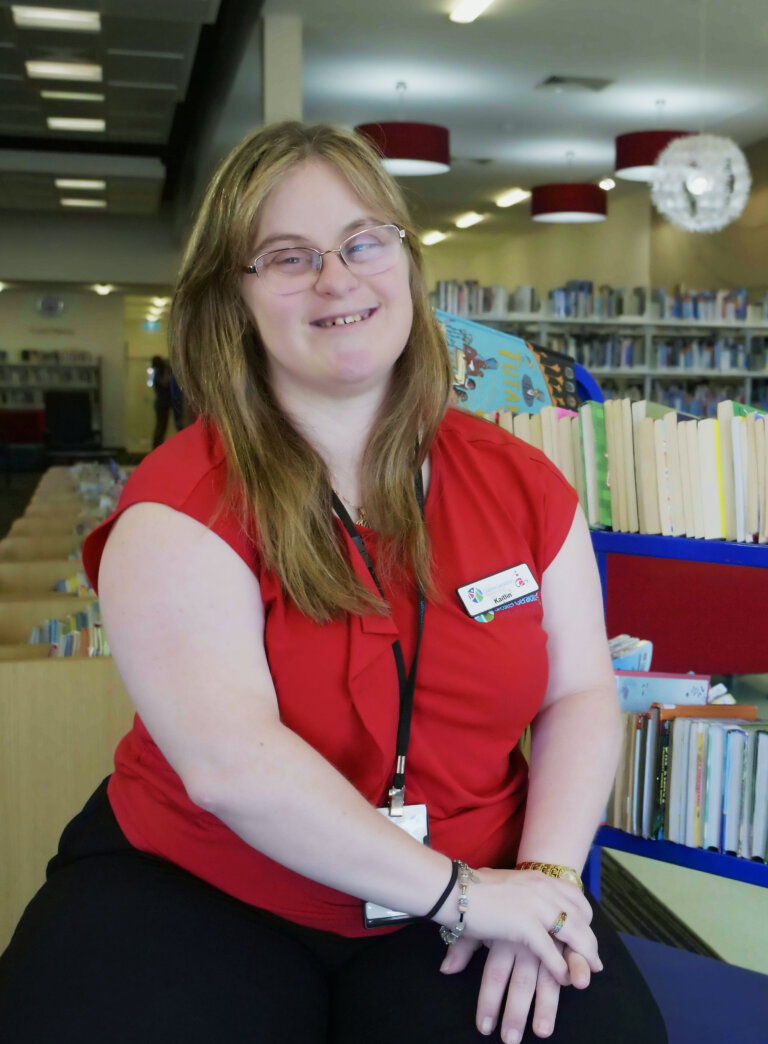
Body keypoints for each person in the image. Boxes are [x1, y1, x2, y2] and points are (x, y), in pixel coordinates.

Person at [0, 122, 666, 1043]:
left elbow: (583, 691)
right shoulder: (177, 507)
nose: (338, 278)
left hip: (484, 873)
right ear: (230, 301)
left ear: (406, 263)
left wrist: (547, 884)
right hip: (207, 879)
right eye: (287, 257)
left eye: (364, 241)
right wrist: (465, 898)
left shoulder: (524, 485)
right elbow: (232, 766)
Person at [149, 354, 172, 448]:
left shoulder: (157, 372)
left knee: (161, 427)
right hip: (162, 404)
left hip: (162, 404)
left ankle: (157, 446)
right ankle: (156, 447)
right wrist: (167, 370)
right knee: (161, 427)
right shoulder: (159, 373)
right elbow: (165, 383)